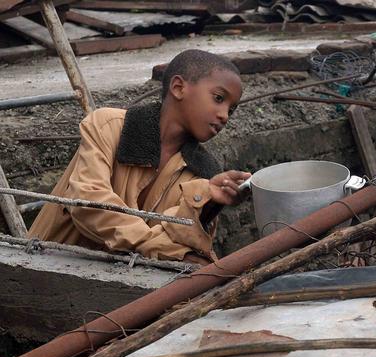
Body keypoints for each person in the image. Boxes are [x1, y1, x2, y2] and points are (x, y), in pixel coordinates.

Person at [28, 49, 250, 264]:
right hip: (44, 268)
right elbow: (88, 204)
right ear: (179, 87)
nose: (224, 116)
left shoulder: (203, 173)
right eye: (219, 98)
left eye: (231, 110)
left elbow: (181, 237)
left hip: (123, 287)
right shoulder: (108, 126)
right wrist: (158, 247)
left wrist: (207, 201)